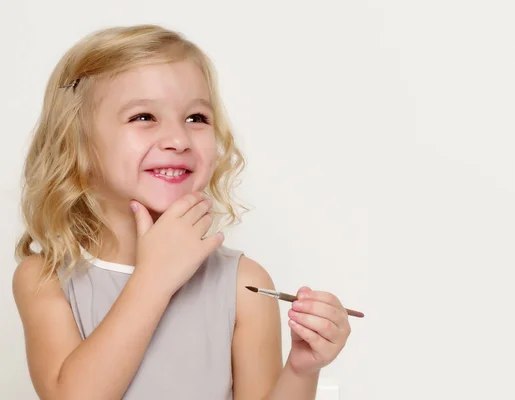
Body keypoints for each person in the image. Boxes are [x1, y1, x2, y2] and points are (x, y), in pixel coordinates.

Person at [12, 24, 352, 400]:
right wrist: (154, 277)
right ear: (75, 142)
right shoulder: (44, 279)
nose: (178, 140)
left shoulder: (243, 286)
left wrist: (302, 369)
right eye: (143, 117)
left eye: (196, 118)